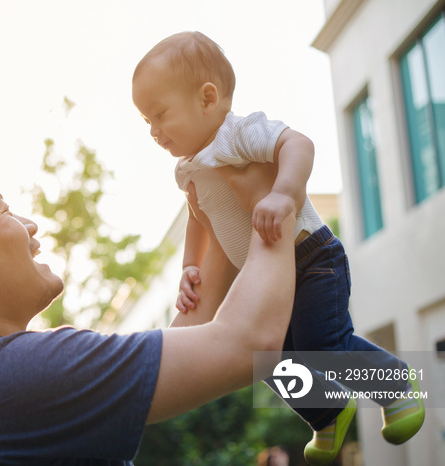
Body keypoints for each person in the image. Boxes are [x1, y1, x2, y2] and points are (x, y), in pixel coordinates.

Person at [0, 147, 298, 465]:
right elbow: (248, 344)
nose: (29, 226)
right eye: (3, 210)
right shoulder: (21, 375)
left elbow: (189, 349)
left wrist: (219, 211)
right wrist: (272, 196)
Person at [131, 31, 425, 465]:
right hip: (267, 280)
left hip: (311, 260)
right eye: (146, 122)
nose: (154, 131)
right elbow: (199, 218)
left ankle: (396, 387)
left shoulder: (237, 134)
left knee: (323, 345)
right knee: (265, 358)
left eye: (160, 115)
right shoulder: (186, 170)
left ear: (207, 99)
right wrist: (191, 266)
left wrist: (284, 193)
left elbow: (298, 143)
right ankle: (327, 412)